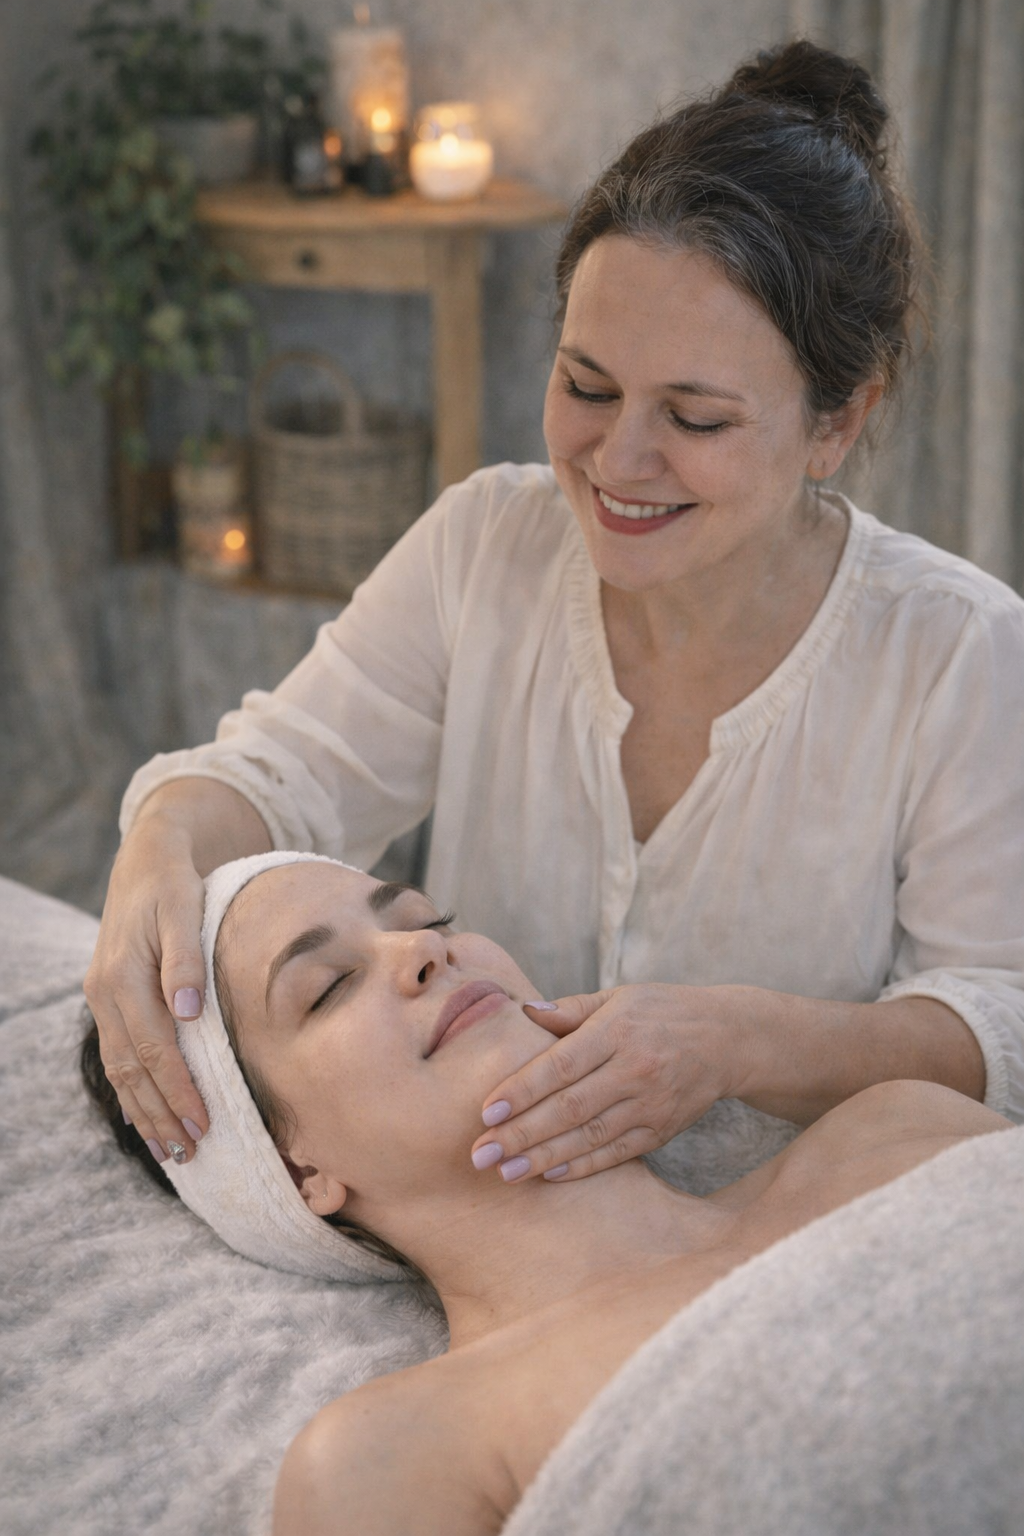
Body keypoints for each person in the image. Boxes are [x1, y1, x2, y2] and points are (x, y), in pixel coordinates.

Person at [84, 40, 1024, 1201]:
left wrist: (742, 1042)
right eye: (585, 387)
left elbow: (1001, 1029)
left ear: (838, 422)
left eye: (696, 417)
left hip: (800, 1251)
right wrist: (161, 842)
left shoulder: (956, 654)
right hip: (510, 1230)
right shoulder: (486, 547)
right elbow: (281, 778)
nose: (618, 462)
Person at [81, 853, 1010, 1536]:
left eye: (427, 919)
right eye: (327, 988)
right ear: (296, 1175)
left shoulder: (900, 1129)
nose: (419, 950)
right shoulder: (394, 1457)